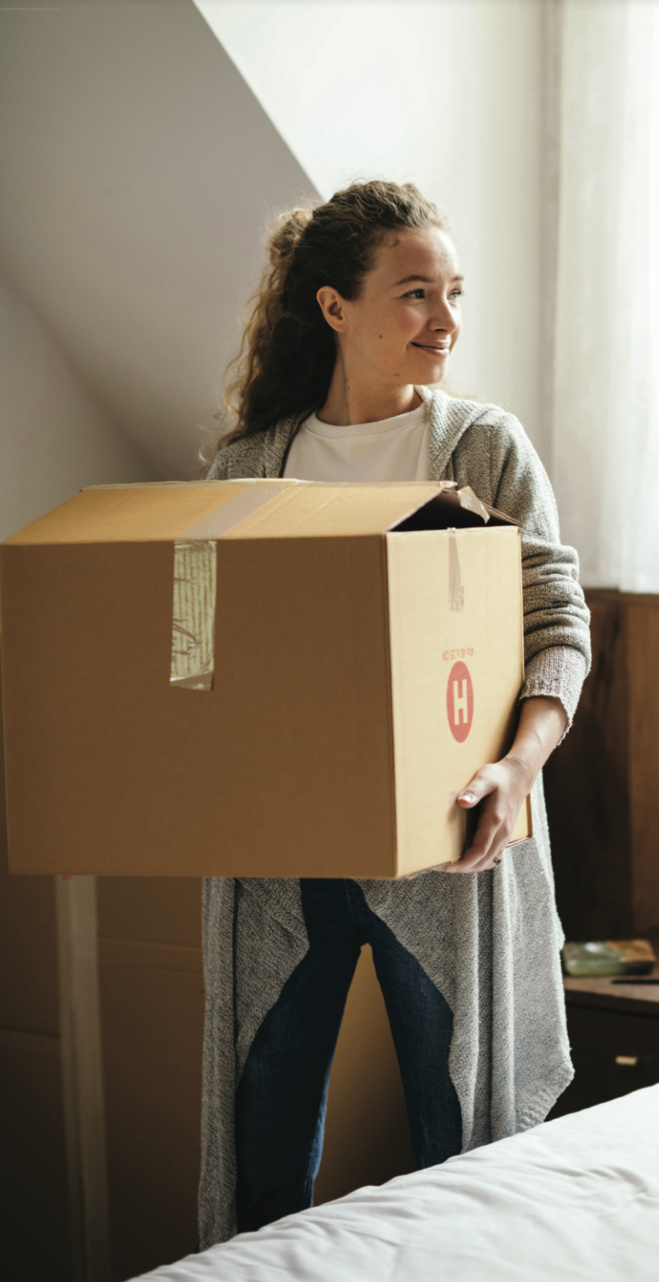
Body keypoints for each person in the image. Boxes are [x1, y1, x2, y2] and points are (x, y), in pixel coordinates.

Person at [198, 180, 591, 1248]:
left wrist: (517, 767)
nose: (445, 321)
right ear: (333, 307)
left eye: (453, 292)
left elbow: (557, 623)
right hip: (283, 850)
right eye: (415, 292)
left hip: (453, 839)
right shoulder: (246, 468)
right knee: (260, 1135)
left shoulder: (482, 449)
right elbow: (200, 657)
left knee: (462, 1137)